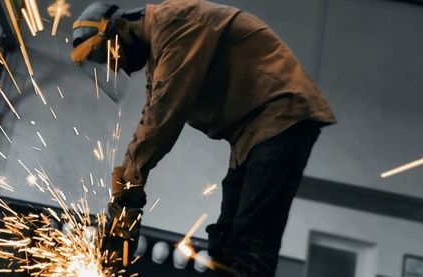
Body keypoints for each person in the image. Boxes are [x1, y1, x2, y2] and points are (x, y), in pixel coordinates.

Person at [71, 1, 336, 276]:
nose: (119, 63)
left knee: (250, 244)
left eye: (111, 54)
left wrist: (133, 178)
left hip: (280, 116)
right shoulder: (160, 51)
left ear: (122, 27)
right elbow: (150, 116)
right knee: (224, 241)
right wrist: (125, 182)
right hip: (250, 135)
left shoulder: (175, 23)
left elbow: (165, 111)